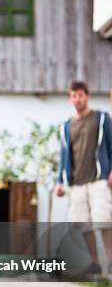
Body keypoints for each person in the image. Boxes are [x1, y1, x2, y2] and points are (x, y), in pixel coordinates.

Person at [55, 80, 112, 274]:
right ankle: (95, 263)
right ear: (70, 98)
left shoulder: (102, 119)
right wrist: (59, 182)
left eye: (80, 95)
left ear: (87, 96)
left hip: (99, 179)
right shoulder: (65, 126)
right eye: (73, 96)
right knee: (83, 224)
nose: (77, 99)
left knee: (103, 220)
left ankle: (111, 263)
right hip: (76, 182)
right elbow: (63, 156)